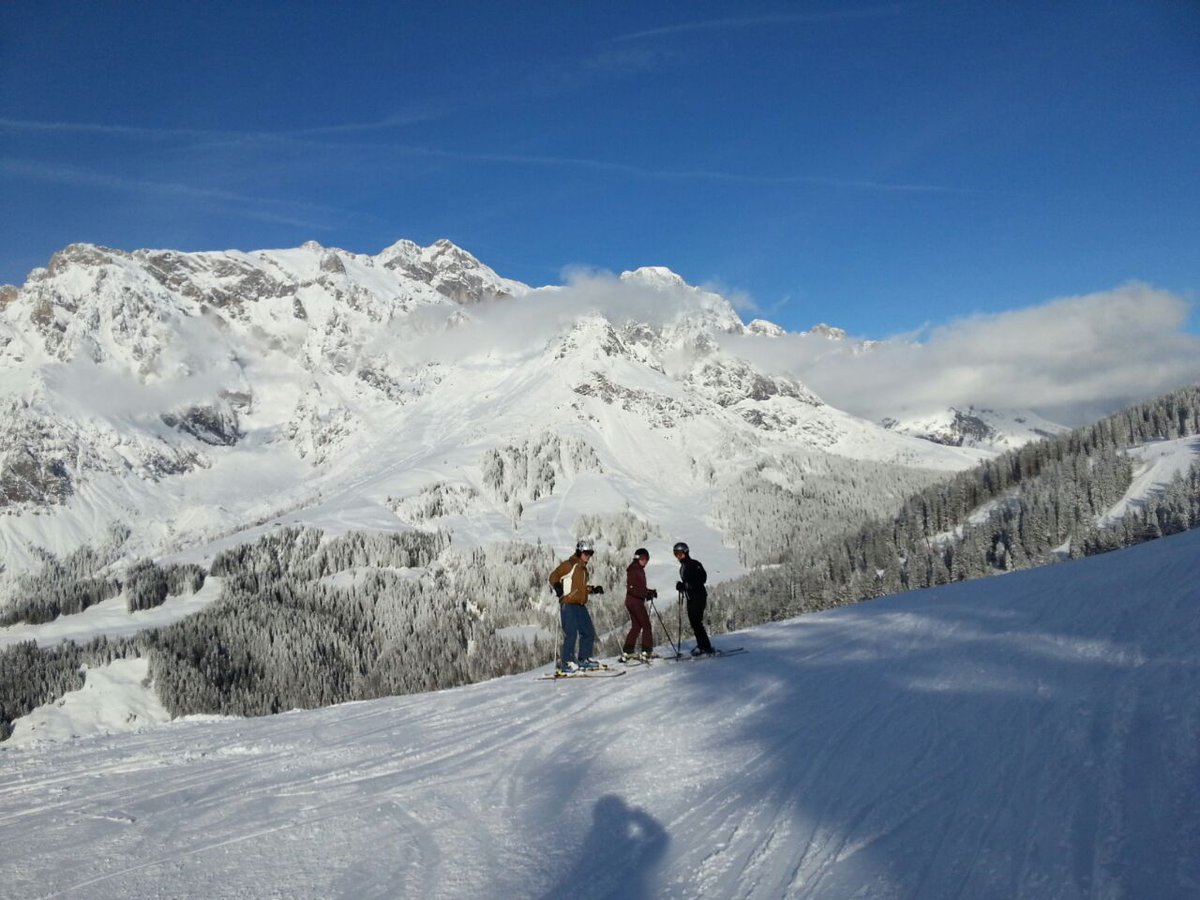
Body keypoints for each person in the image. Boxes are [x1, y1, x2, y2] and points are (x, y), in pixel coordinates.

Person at [549, 538, 605, 672]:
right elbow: (553, 576)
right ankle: (567, 662)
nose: (588, 556)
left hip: (580, 605)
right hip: (568, 604)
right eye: (586, 553)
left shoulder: (583, 570)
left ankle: (584, 659)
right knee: (571, 633)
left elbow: (581, 588)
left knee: (588, 632)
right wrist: (557, 587)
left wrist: (593, 589)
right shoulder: (570, 564)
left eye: (590, 554)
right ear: (579, 552)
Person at [674, 541, 714, 656]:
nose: (678, 556)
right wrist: (682, 586)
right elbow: (688, 582)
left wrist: (686, 585)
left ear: (686, 552)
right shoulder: (683, 567)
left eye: (680, 553)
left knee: (696, 622)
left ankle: (706, 647)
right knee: (694, 623)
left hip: (699, 596)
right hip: (691, 597)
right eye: (676, 554)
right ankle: (702, 646)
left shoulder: (694, 564)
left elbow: (702, 578)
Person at [620, 548, 658, 662]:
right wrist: (645, 594)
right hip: (635, 602)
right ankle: (646, 651)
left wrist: (649, 592)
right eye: (642, 558)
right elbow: (632, 588)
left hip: (632, 601)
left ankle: (628, 651)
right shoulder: (635, 569)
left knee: (636, 626)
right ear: (637, 558)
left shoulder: (637, 569)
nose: (645, 561)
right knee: (646, 625)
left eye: (647, 559)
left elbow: (639, 587)